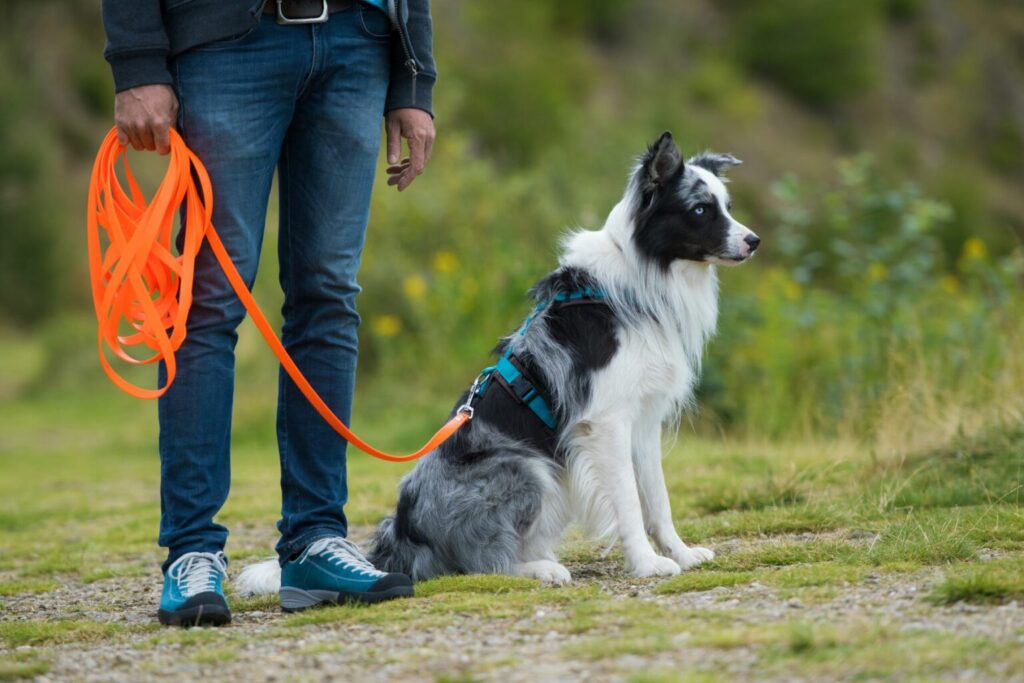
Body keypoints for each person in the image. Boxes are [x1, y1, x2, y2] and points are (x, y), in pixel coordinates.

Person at [100, 0, 437, 626]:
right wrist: (137, 62)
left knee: (329, 297)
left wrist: (414, 77)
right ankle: (193, 550)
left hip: (356, 39)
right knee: (205, 300)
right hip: (225, 43)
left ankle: (314, 541)